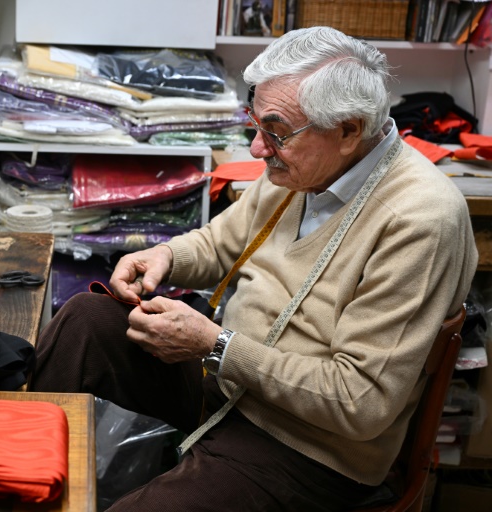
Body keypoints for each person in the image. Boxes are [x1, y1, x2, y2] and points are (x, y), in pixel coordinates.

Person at [29, 26, 478, 511]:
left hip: (309, 448)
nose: (258, 148)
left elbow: (360, 402)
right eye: (256, 124)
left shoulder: (420, 219)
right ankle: (21, 481)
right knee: (86, 322)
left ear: (349, 130)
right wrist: (166, 257)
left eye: (276, 132)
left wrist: (214, 344)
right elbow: (221, 243)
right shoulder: (305, 166)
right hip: (230, 386)